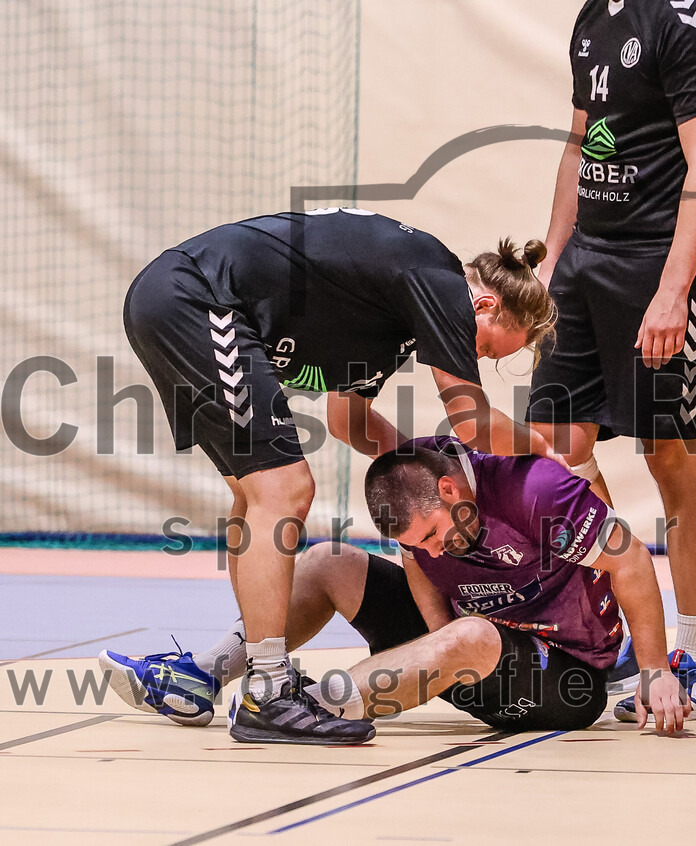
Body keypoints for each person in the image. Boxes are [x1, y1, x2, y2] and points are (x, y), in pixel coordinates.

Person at [116, 208, 559, 744]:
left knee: (254, 493)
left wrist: (428, 472)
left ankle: (212, 674)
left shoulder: (393, 320)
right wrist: (544, 453)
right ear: (485, 304)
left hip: (179, 301)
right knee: (285, 488)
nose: (475, 356)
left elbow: (347, 420)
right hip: (197, 297)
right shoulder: (440, 281)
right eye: (486, 345)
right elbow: (472, 420)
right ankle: (269, 692)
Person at [100, 437, 688, 739]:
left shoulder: (535, 489)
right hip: (466, 643)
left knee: (475, 635)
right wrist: (435, 639)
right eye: (417, 544)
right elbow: (417, 564)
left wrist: (657, 671)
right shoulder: (421, 512)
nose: (431, 551)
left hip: (567, 674)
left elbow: (632, 561)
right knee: (330, 559)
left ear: (455, 493)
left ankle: (309, 705)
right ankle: (206, 673)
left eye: (433, 534)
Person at [527, 0, 696, 721]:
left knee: (669, 454)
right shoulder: (592, 18)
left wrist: (675, 289)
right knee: (556, 445)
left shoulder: (685, 21)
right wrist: (553, 257)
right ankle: (628, 633)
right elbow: (580, 143)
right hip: (588, 262)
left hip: (659, 264)